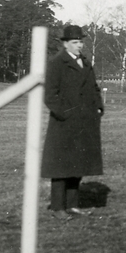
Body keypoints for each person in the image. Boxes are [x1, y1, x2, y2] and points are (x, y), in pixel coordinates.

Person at [41, 25, 103, 219]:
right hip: (64, 124)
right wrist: (66, 114)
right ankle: (58, 207)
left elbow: (94, 87)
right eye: (75, 42)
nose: (79, 45)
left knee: (78, 163)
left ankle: (73, 205)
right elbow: (50, 96)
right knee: (61, 167)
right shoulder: (57, 63)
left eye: (81, 42)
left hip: (85, 122)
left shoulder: (85, 62)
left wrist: (99, 107)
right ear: (65, 44)